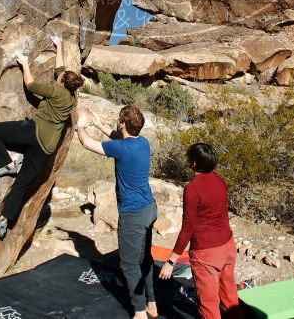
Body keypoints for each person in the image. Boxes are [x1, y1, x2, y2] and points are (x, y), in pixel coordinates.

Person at [0, 33, 84, 239]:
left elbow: (31, 86)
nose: (58, 77)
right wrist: (59, 45)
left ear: (61, 83)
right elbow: (60, 70)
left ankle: (5, 164)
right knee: (22, 185)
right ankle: (5, 220)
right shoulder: (71, 96)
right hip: (46, 149)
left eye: (59, 79)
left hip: (33, 132)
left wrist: (24, 63)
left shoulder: (56, 92)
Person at [76, 106, 158, 319]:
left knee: (129, 264)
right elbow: (119, 139)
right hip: (149, 208)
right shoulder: (142, 142)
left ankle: (139, 312)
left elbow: (86, 143)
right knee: (144, 258)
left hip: (133, 214)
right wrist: (99, 124)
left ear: (122, 123)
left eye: (117, 120)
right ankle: (152, 303)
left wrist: (80, 125)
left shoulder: (121, 149)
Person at [159, 143, 242, 319]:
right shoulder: (219, 180)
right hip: (228, 245)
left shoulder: (193, 188)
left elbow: (188, 227)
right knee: (229, 296)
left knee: (209, 304)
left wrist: (171, 261)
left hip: (206, 253)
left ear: (194, 162)